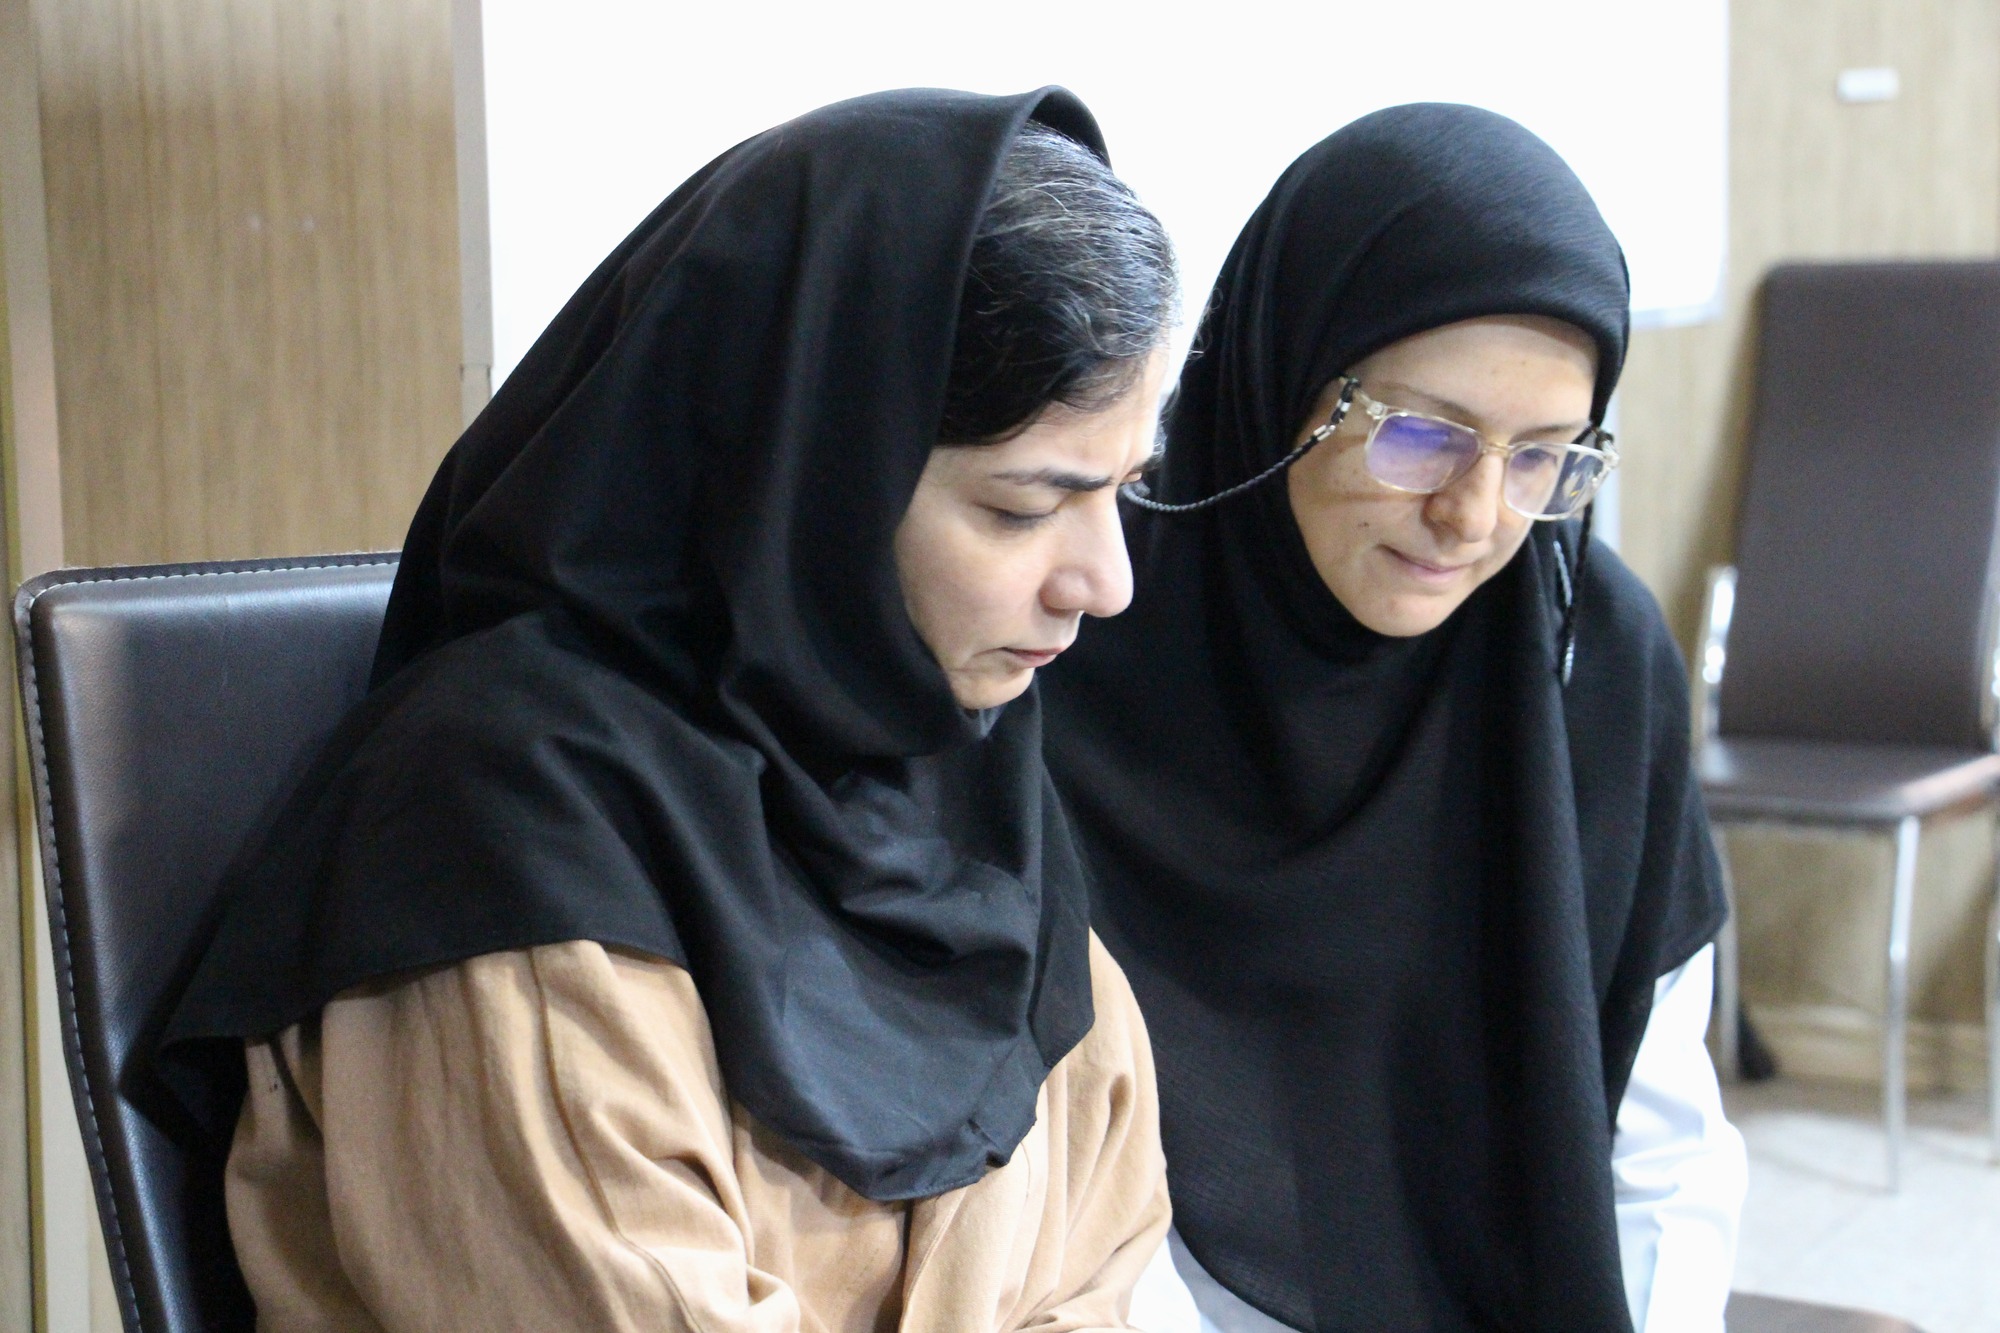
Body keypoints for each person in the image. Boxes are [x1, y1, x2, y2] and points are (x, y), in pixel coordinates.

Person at [165, 88, 1193, 1331]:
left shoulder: (957, 780)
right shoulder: (509, 832)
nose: (1106, 583)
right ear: (803, 468)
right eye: (1022, 508)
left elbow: (1107, 1264)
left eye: (1124, 492)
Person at [1044, 104, 1746, 1332]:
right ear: (1281, 377)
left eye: (1541, 457)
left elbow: (1659, 1138)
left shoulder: (1586, 654)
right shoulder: (1079, 633)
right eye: (1420, 435)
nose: (1471, 517)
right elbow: (1043, 1167)